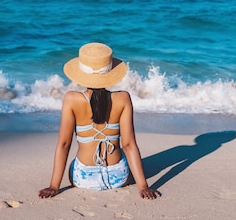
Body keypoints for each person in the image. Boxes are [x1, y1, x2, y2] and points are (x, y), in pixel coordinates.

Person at [38, 42, 160, 200]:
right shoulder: (123, 98)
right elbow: (129, 145)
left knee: (75, 163)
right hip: (119, 177)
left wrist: (54, 186)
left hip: (84, 178)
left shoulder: (72, 99)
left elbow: (64, 144)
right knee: (123, 154)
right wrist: (143, 186)